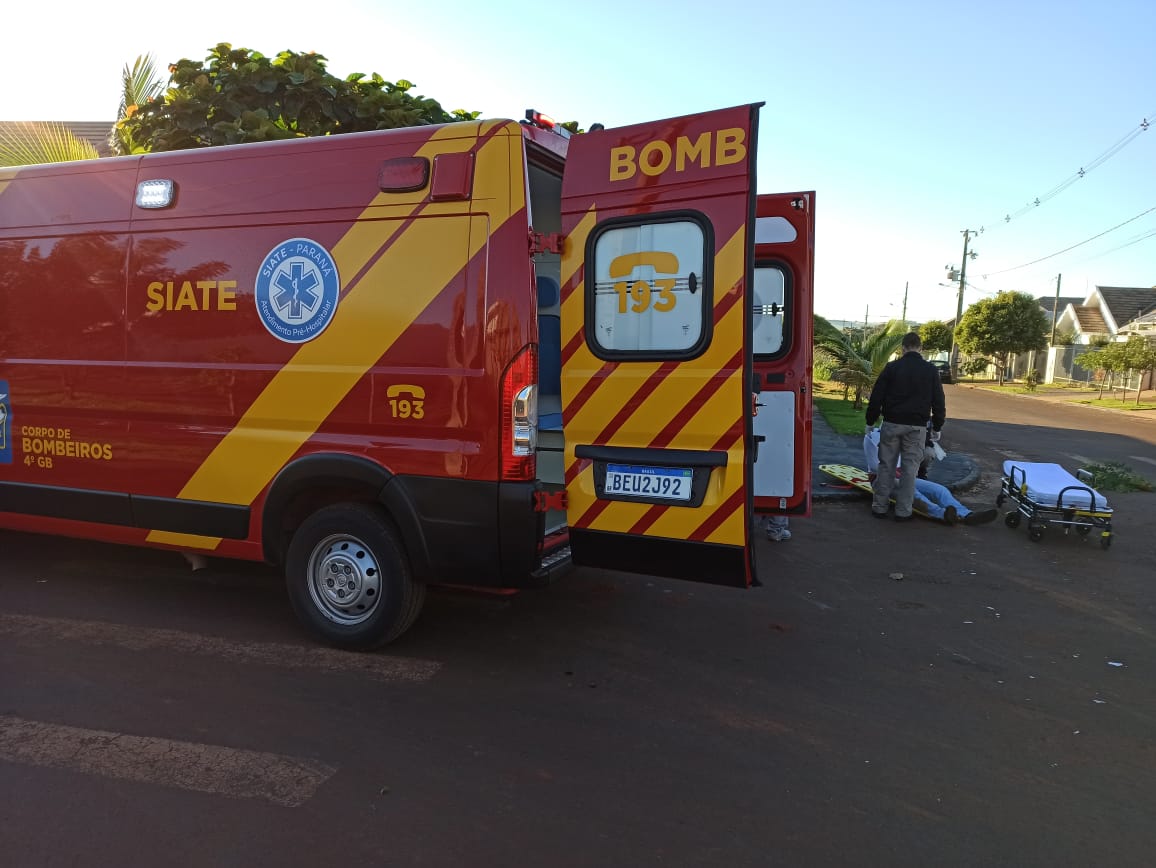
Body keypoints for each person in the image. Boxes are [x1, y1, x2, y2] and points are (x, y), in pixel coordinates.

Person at [865, 332, 946, 522]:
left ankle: (879, 507)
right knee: (910, 470)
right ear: (920, 348)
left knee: (886, 466)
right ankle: (903, 511)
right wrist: (937, 426)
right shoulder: (930, 370)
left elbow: (877, 396)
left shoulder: (892, 368)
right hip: (917, 427)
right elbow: (938, 400)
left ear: (902, 348)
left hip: (892, 423)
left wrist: (870, 421)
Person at [864, 429, 996, 525]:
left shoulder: (905, 436)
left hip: (904, 477)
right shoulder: (873, 438)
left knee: (940, 490)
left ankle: (967, 515)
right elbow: (878, 468)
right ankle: (942, 514)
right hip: (882, 481)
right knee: (911, 491)